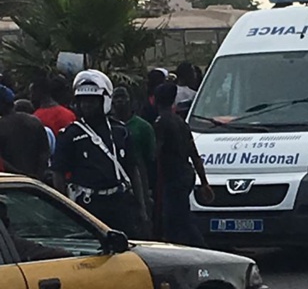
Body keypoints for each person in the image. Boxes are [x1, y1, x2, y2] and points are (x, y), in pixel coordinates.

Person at [52, 70, 147, 237]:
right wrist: (65, 210)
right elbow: (58, 174)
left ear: (104, 100)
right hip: (88, 206)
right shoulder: (70, 135)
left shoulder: (121, 131)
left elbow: (133, 170)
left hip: (119, 203)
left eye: (92, 100)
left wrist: (142, 207)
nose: (86, 105)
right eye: (82, 101)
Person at [154, 81, 213, 246]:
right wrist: (204, 182)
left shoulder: (161, 122)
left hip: (173, 178)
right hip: (186, 174)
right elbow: (194, 154)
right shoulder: (181, 122)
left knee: (175, 219)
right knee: (181, 215)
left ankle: (197, 247)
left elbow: (156, 152)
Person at [112, 86, 156, 231]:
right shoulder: (108, 127)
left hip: (140, 180)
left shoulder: (143, 127)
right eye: (116, 97)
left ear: (131, 100)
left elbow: (151, 158)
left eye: (123, 97)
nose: (120, 101)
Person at [0, 85, 49, 180]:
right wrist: (37, 176)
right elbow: (44, 153)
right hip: (37, 182)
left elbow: (1, 162)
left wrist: (21, 176)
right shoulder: (35, 121)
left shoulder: (2, 126)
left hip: (10, 181)